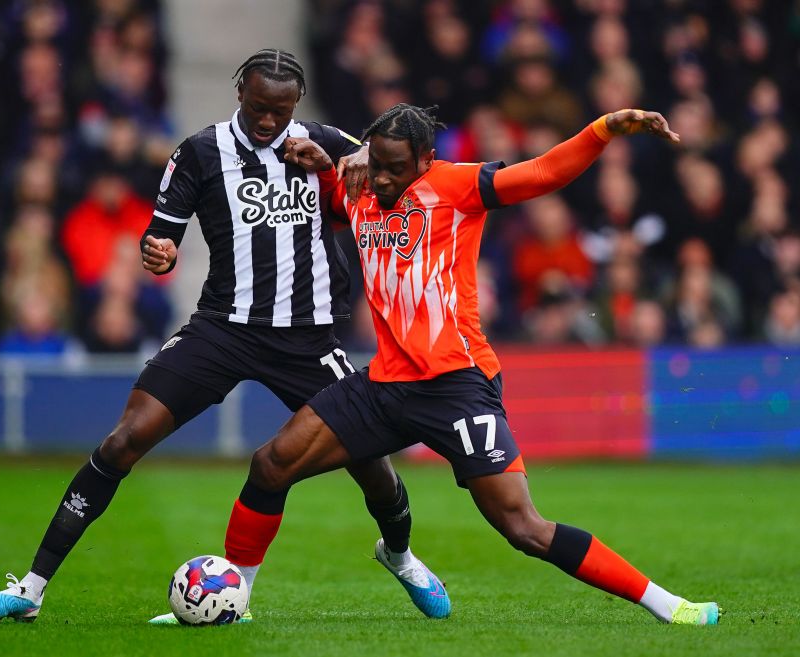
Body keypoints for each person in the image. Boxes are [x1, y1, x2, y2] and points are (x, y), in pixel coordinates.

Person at [0, 50, 448, 624]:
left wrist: (346, 160)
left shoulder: (324, 140)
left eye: (280, 110)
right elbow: (162, 234)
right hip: (222, 329)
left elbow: (391, 171)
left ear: (296, 105)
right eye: (257, 107)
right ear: (239, 93)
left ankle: (399, 555)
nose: (268, 121)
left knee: (372, 460)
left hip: (308, 337)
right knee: (125, 440)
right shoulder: (199, 151)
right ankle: (31, 588)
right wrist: (159, 252)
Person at [218, 104, 722, 625]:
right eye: (379, 164)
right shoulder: (360, 186)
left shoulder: (456, 186)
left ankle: (670, 606)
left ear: (426, 159)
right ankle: (233, 602)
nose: (385, 179)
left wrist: (602, 130)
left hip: (456, 384)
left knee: (523, 527)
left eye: (396, 167)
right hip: (385, 383)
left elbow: (542, 172)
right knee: (271, 464)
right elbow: (332, 191)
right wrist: (328, 164)